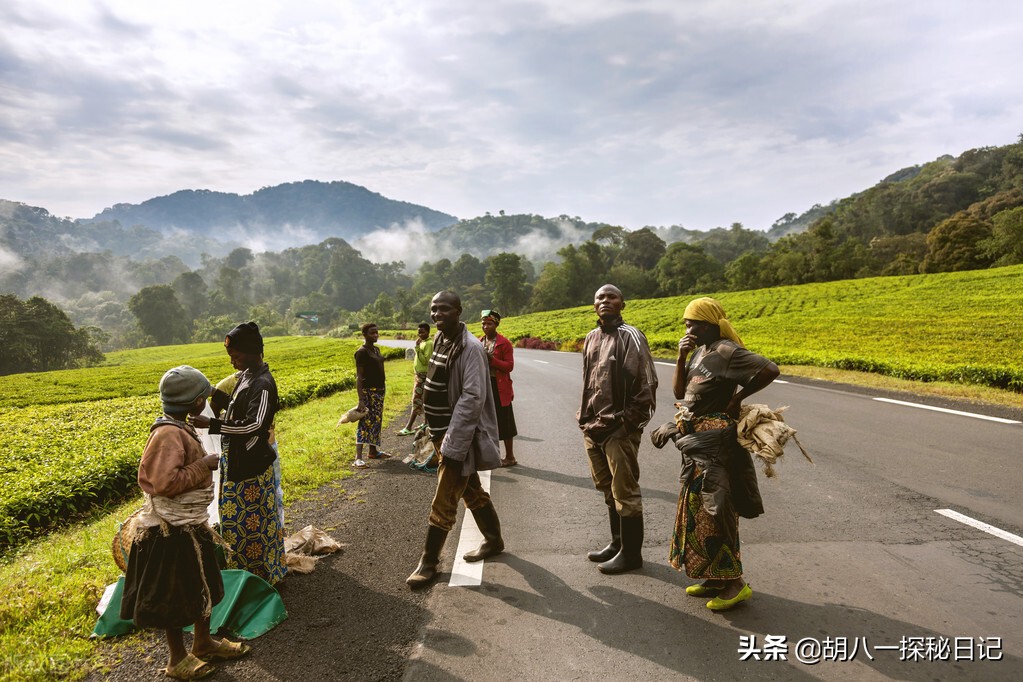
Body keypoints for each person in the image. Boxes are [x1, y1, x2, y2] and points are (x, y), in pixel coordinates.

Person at [120, 365, 250, 680]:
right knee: (175, 594)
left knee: (201, 583)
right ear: (196, 403)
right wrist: (203, 465)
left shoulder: (179, 427)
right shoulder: (167, 435)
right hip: (171, 530)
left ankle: (202, 643)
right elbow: (165, 483)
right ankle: (176, 659)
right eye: (204, 397)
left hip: (190, 524)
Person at [668, 297, 779, 611]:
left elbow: (770, 369)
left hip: (716, 443)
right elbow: (679, 393)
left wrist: (738, 398)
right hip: (697, 442)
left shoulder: (727, 350)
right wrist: (681, 356)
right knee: (698, 511)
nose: (687, 330)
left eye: (692, 324)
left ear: (708, 325)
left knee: (716, 509)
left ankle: (735, 584)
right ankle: (715, 577)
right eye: (686, 324)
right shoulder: (701, 352)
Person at [406, 291, 506, 588]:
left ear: (459, 311)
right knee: (471, 489)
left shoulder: (470, 348)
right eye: (434, 309)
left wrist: (453, 444)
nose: (437, 314)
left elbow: (472, 398)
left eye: (444, 309)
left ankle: (429, 562)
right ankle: (494, 540)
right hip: (440, 432)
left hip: (458, 437)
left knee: (445, 498)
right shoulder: (441, 338)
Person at [191, 322, 287, 586]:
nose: (232, 361)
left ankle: (262, 578)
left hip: (250, 468)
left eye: (236, 356)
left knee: (253, 525)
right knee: (238, 524)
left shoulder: (263, 384)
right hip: (237, 463)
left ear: (252, 352)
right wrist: (213, 393)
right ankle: (246, 577)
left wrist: (212, 424)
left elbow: (254, 425)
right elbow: (237, 408)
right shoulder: (246, 377)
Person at [577, 284, 658, 575]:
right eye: (600, 297)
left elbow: (647, 385)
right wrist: (585, 421)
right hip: (593, 428)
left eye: (612, 297)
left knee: (625, 491)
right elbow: (588, 382)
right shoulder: (591, 337)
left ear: (622, 304)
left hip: (618, 429)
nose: (605, 301)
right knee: (607, 487)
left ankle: (631, 555)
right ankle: (617, 543)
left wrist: (627, 425)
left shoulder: (631, 336)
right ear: (593, 304)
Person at [479, 309, 518, 467]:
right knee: (486, 421)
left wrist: (492, 360)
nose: (485, 326)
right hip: (485, 386)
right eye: (483, 323)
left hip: (500, 387)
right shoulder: (479, 341)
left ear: (496, 325)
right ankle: (492, 455)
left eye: (489, 323)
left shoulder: (504, 343)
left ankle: (510, 457)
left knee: (505, 422)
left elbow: (509, 366)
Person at [353, 322, 388, 467]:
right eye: (372, 333)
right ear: (364, 335)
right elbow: (359, 377)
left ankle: (373, 452)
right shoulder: (362, 352)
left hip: (379, 392)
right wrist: (361, 399)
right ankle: (358, 458)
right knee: (365, 422)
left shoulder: (376, 350)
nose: (375, 335)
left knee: (376, 421)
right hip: (368, 393)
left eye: (376, 332)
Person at [398, 322, 434, 436]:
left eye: (422, 332)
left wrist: (417, 348)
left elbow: (426, 361)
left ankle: (409, 426)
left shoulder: (429, 344)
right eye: (419, 332)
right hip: (419, 375)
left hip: (423, 376)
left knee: (417, 400)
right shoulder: (423, 342)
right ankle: (426, 423)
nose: (420, 334)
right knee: (424, 399)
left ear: (428, 332)